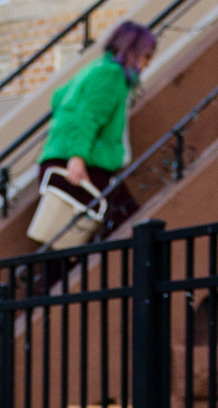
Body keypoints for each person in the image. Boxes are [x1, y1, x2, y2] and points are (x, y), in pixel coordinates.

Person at [34, 20, 156, 244]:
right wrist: (77, 157)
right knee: (134, 225)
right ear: (132, 50)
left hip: (61, 162)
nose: (146, 64)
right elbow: (88, 118)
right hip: (80, 166)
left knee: (64, 243)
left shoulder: (94, 69)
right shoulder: (112, 75)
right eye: (145, 56)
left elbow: (59, 98)